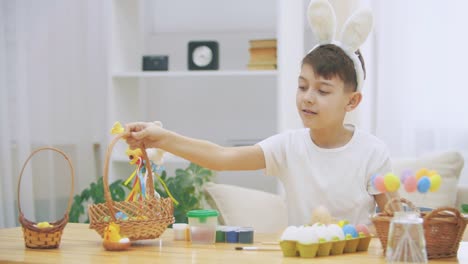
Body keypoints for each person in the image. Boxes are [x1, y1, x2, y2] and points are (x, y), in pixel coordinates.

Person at [124, 0, 396, 226]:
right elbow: (222, 157)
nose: (308, 98)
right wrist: (161, 138)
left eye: (323, 91)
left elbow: (391, 219)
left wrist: (400, 211)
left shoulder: (372, 152)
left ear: (352, 101)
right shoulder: (289, 146)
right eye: (302, 86)